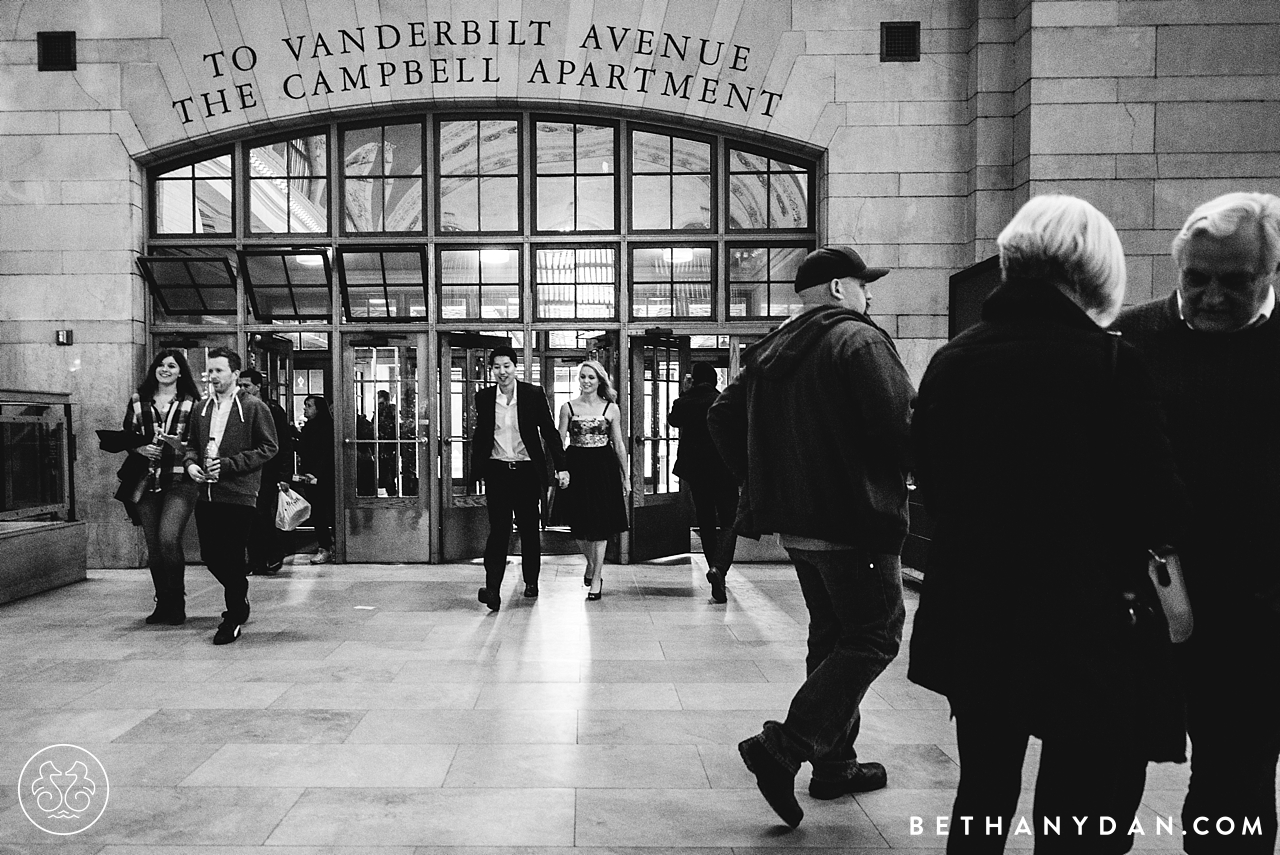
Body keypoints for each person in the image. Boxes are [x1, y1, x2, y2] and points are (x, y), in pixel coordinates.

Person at [910, 195, 1191, 853]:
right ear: (1090, 266)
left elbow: (933, 482)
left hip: (975, 612)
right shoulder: (1112, 364)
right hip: (1082, 619)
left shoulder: (953, 362)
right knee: (1077, 806)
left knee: (982, 791)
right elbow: (1158, 503)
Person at [708, 245, 914, 828]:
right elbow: (899, 429)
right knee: (873, 637)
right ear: (840, 290)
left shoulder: (772, 349)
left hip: (799, 529)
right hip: (857, 525)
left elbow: (722, 417)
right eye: (862, 284)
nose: (869, 295)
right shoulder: (859, 341)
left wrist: (763, 479)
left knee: (831, 637)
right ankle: (785, 746)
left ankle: (834, 763)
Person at [1113, 191, 1280, 855]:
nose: (1210, 295)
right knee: (1101, 783)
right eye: (1196, 277)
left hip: (1253, 615)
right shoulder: (1129, 339)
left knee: (1233, 793)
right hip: (1136, 605)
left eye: (1234, 280)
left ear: (1269, 276)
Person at [183, 347, 278, 645]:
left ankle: (233, 615)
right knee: (211, 556)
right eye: (210, 371)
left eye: (219, 370)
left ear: (235, 374)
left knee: (234, 556)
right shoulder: (201, 408)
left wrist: (229, 465)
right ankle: (240, 592)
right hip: (206, 493)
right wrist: (191, 465)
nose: (213, 376)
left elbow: (269, 447)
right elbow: (190, 446)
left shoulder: (253, 407)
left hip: (239, 494)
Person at [470, 345, 568, 610]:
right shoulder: (485, 397)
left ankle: (531, 580)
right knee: (498, 531)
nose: (502, 372)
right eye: (497, 367)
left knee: (528, 529)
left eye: (507, 366)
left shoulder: (532, 394)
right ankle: (492, 589)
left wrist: (562, 466)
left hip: (526, 472)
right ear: (492, 370)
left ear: (515, 368)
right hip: (498, 472)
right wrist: (475, 470)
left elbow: (549, 432)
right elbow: (482, 435)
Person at [121, 349, 201, 625]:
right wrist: (140, 448)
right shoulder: (138, 400)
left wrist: (180, 446)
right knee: (154, 545)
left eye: (172, 365)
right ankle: (162, 601)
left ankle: (177, 601)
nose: (165, 369)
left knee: (168, 538)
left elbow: (200, 441)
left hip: (180, 478)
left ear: (181, 371)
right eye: (161, 365)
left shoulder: (193, 402)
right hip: (146, 479)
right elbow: (127, 437)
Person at [558, 360, 629, 601]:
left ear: (600, 381)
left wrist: (626, 477)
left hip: (603, 467)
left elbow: (618, 444)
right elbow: (559, 442)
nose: (586, 381)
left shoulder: (611, 408)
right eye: (583, 377)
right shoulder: (568, 407)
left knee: (600, 524)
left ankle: (596, 576)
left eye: (591, 377)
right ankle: (590, 562)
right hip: (576, 464)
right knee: (578, 524)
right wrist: (560, 470)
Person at [669, 362, 738, 603]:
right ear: (715, 380)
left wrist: (685, 392)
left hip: (697, 472)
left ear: (693, 380)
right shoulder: (723, 400)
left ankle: (713, 568)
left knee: (706, 521)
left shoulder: (685, 402)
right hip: (725, 469)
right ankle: (720, 570)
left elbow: (673, 420)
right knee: (730, 521)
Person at [236, 369, 293, 575]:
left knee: (260, 513)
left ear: (258, 387)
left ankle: (272, 553)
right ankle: (256, 559)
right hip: (247, 470)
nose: (242, 389)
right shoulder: (239, 409)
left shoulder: (271, 410)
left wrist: (284, 476)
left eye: (247, 386)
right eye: (240, 385)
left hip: (268, 471)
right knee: (249, 515)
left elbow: (284, 444)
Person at [295, 395, 335, 565]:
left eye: (309, 406)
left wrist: (316, 473)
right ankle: (327, 545)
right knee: (318, 512)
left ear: (318, 409)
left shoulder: (325, 428)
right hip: (311, 475)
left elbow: (326, 453)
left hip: (322, 476)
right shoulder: (309, 427)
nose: (305, 409)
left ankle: (327, 547)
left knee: (324, 512)